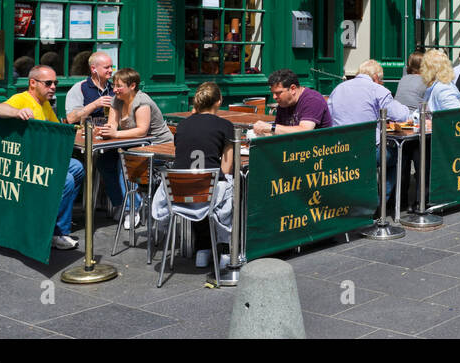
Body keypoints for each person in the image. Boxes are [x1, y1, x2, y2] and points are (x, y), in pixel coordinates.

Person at [0, 65, 84, 251]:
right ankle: (53, 232)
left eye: (55, 83)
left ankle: (56, 224)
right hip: (25, 163)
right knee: (65, 180)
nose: (53, 87)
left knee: (77, 168)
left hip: (43, 158)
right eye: (48, 83)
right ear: (32, 83)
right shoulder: (21, 99)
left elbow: (56, 129)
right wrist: (17, 112)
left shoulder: (45, 104)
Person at [153, 81, 234, 270]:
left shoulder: (182, 125)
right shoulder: (225, 125)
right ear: (219, 101)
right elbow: (227, 165)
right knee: (230, 188)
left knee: (199, 191)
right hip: (209, 191)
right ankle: (225, 250)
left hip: (180, 193)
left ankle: (202, 250)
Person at [96, 68, 173, 229]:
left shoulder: (142, 101)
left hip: (159, 147)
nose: (115, 89)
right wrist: (104, 130)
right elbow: (112, 124)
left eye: (119, 86)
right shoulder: (116, 100)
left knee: (123, 163)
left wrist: (115, 134)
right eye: (114, 85)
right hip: (133, 145)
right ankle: (120, 203)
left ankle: (133, 209)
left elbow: (141, 130)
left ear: (132, 86)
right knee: (104, 161)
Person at [329, 60, 414, 198]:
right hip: (367, 151)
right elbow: (402, 115)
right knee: (399, 154)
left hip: (340, 149)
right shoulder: (377, 89)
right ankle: (381, 201)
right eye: (381, 80)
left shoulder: (338, 88)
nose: (382, 83)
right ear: (375, 78)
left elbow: (330, 117)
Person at [251, 69, 332, 136]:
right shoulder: (284, 103)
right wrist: (261, 135)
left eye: (278, 93)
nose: (274, 97)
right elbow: (279, 133)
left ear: (293, 89)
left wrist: (271, 127)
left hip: (316, 152)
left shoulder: (312, 100)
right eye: (273, 93)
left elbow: (305, 131)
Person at [63, 50, 114, 126]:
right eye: (106, 67)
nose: (110, 70)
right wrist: (95, 105)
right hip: (86, 134)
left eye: (111, 67)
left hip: (111, 134)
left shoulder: (115, 88)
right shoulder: (80, 88)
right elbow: (71, 119)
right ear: (93, 69)